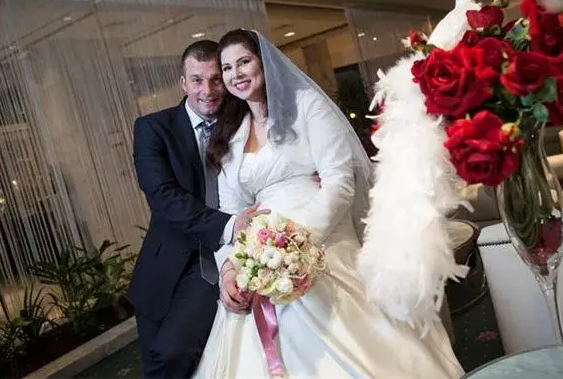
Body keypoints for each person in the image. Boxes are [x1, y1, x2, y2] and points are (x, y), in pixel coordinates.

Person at [193, 29, 464, 378]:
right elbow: (230, 213)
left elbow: (339, 182)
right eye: (228, 68)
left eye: (244, 62)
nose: (236, 74)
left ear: (264, 61)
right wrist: (231, 267)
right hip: (257, 252)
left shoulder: (306, 106)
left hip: (321, 237)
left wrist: (295, 243)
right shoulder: (230, 132)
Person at [128, 39, 267, 379]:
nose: (208, 90)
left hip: (214, 260)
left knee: (172, 355)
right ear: (183, 83)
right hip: (164, 264)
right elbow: (162, 196)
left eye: (216, 79)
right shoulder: (152, 128)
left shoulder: (245, 120)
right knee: (157, 362)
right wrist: (229, 224)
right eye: (197, 80)